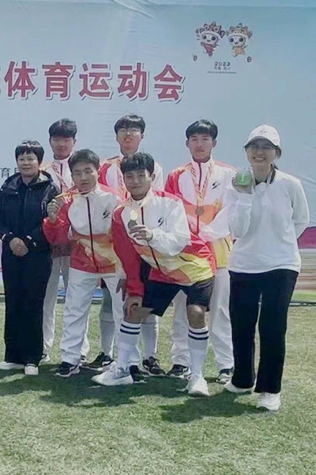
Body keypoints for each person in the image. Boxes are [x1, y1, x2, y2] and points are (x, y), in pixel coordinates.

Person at [94, 153, 216, 397]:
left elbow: (180, 241)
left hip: (194, 265)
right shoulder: (120, 213)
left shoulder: (170, 202)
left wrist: (152, 235)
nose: (135, 181)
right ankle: (122, 370)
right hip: (160, 271)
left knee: (195, 313)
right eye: (130, 176)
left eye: (141, 175)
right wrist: (134, 287)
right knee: (133, 310)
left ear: (151, 176)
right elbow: (127, 255)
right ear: (123, 179)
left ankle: (197, 376)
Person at [223, 125, 309, 411]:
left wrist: (279, 244)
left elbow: (301, 220)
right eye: (254, 146)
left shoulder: (290, 184)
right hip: (244, 264)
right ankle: (242, 380)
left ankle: (270, 389)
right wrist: (245, 195)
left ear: (277, 153)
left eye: (266, 147)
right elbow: (238, 229)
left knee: (272, 326)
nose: (259, 152)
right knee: (241, 325)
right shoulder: (235, 185)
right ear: (246, 151)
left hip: (281, 265)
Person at [91, 114, 166, 376]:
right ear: (116, 136)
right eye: (123, 130)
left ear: (142, 135)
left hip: (146, 244)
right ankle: (106, 352)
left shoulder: (154, 167)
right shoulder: (103, 167)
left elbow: (158, 203)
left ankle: (150, 357)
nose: (128, 134)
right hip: (112, 245)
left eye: (133, 130)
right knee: (110, 300)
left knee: (146, 303)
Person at [43, 150, 125, 378]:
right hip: (81, 262)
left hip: (114, 262)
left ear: (98, 171)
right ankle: (70, 358)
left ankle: (127, 360)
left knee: (122, 310)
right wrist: (52, 221)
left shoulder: (114, 198)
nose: (83, 177)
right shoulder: (65, 200)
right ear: (72, 176)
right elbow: (59, 239)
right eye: (77, 173)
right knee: (74, 310)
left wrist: (127, 266)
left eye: (88, 171)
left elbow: (124, 233)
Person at [165, 120, 235, 382]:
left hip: (219, 251)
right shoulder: (176, 175)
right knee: (183, 308)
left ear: (214, 143)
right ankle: (180, 361)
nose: (199, 144)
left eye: (205, 139)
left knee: (220, 310)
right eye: (194, 139)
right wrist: (189, 238)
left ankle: (225, 364)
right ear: (187, 143)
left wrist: (206, 234)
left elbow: (231, 210)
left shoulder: (229, 174)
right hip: (186, 253)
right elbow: (170, 210)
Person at [0, 141, 57, 376]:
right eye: (22, 158)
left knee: (33, 305)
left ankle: (32, 359)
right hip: (11, 254)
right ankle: (13, 356)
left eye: (31, 158)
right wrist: (10, 239)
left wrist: (28, 241)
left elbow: (50, 222)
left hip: (37, 255)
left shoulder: (50, 188)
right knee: (13, 303)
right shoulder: (8, 186)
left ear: (39, 162)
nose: (26, 163)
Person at [40, 119, 87, 362]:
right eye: (56, 139)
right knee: (45, 299)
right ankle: (43, 347)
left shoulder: (83, 171)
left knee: (76, 300)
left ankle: (79, 350)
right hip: (48, 245)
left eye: (66, 139)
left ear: (74, 141)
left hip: (77, 245)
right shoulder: (42, 170)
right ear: (50, 141)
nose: (61, 144)